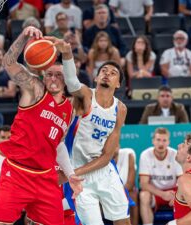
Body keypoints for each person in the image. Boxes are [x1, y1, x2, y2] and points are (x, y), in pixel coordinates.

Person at [0, 26, 82, 225]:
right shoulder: (35, 89)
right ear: (43, 75)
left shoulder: (69, 110)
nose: (53, 78)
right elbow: (8, 62)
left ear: (66, 78)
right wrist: (24, 35)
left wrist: (71, 174)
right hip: (17, 172)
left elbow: (58, 144)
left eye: (59, 75)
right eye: (49, 74)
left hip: (45, 178)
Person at [48, 34, 130, 225]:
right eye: (104, 70)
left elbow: (107, 156)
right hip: (79, 176)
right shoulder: (86, 95)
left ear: (118, 83)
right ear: (96, 77)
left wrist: (73, 172)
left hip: (102, 171)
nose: (107, 73)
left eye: (113, 72)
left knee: (123, 222)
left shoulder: (121, 109)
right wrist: (67, 53)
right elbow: (71, 82)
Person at [139, 128, 182, 225]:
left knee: (186, 194)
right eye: (158, 140)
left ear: (168, 142)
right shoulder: (145, 155)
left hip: (173, 191)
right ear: (153, 141)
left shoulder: (176, 155)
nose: (161, 144)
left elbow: (182, 180)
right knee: (144, 195)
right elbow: (143, 184)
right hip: (155, 192)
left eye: (164, 140)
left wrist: (177, 195)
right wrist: (162, 194)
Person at [114, 147, 138, 225]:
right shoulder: (99, 159)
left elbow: (130, 184)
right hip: (106, 192)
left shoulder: (128, 154)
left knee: (132, 196)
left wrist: (118, 193)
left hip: (124, 191)